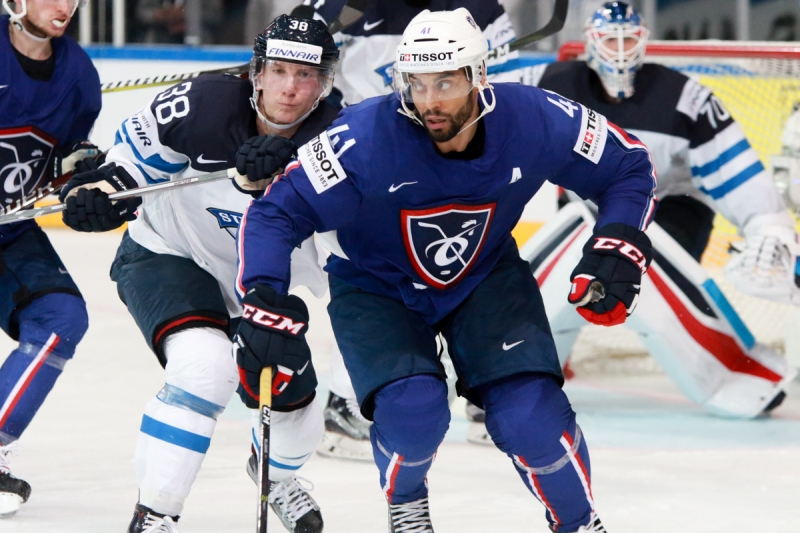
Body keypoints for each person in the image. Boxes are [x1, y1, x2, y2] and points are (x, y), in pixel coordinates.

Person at [234, 8, 658, 532]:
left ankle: (580, 522)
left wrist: (618, 245)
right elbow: (278, 210)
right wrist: (262, 297)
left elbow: (629, 166)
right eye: (417, 84)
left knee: (532, 415)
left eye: (445, 82)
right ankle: (407, 501)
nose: (429, 101)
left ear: (478, 77)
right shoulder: (363, 137)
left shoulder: (535, 118)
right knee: (413, 412)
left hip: (484, 275)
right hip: (375, 283)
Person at [58, 14, 339, 533]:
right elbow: (125, 168)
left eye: (306, 77)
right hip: (169, 254)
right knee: (204, 367)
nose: (290, 89)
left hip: (264, 285)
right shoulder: (202, 105)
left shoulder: (341, 141)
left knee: (299, 409)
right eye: (278, 71)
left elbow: (347, 254)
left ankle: (274, 476)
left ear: (324, 85)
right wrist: (97, 194)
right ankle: (156, 513)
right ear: (255, 74)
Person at [523, 1, 797, 418]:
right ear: (590, 43)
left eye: (628, 38)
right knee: (554, 267)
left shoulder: (685, 98)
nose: (619, 49)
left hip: (671, 213)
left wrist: (768, 225)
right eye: (610, 39)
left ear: (644, 40)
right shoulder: (550, 83)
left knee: (643, 275)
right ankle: (525, 371)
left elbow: (736, 174)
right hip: (589, 213)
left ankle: (741, 375)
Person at [305, 0, 528, 456]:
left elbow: (503, 83)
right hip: (370, 161)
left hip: (456, 159)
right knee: (375, 280)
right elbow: (307, 76)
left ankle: (488, 386)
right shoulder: (340, 5)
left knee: (475, 267)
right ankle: (347, 404)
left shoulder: (481, 9)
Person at [0, 0, 100, 518]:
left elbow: (63, 163)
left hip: (7, 233)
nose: (64, 7)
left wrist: (82, 176)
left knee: (61, 317)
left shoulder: (78, 76)